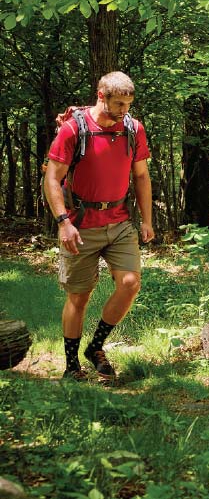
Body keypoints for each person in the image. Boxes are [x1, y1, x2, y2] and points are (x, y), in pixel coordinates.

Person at [43, 71, 155, 383]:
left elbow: (142, 176)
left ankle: (95, 347)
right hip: (80, 224)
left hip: (118, 221)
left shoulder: (133, 129)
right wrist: (63, 222)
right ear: (101, 95)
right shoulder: (73, 129)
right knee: (79, 297)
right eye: (118, 103)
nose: (124, 110)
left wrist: (146, 220)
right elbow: (52, 178)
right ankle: (71, 367)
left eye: (128, 104)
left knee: (130, 283)